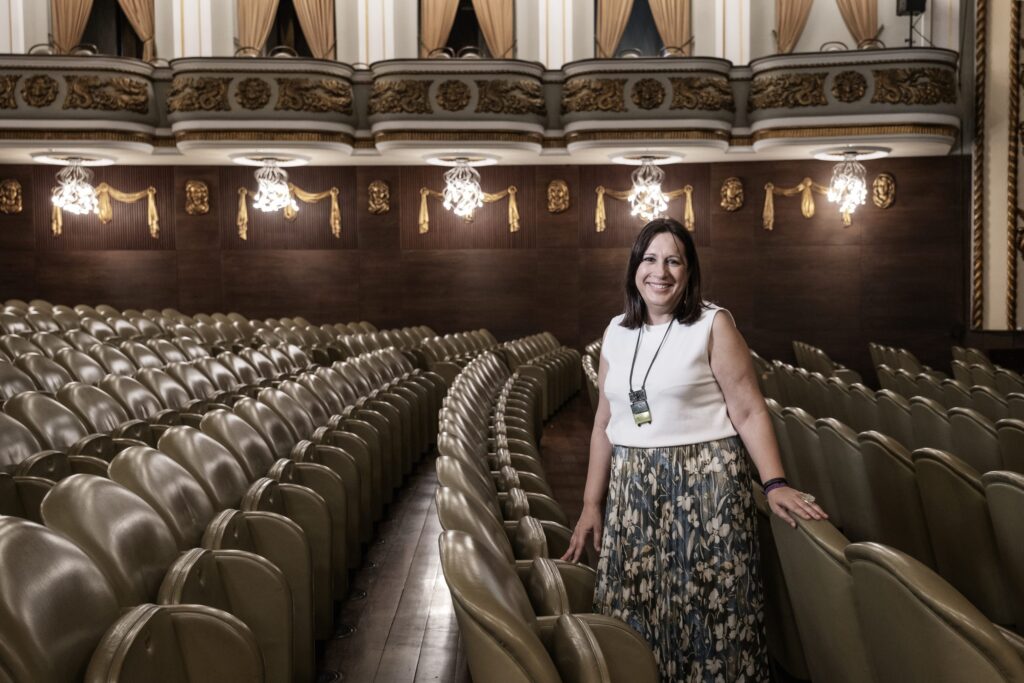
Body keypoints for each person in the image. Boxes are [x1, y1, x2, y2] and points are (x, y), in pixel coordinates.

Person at [562, 217, 826, 682]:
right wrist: (590, 504)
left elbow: (748, 410)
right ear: (634, 269)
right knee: (636, 615)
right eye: (649, 259)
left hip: (707, 492)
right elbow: (604, 423)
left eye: (672, 261)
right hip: (633, 496)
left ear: (688, 272)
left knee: (712, 618)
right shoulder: (617, 333)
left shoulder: (712, 323)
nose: (659, 271)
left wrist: (775, 482)